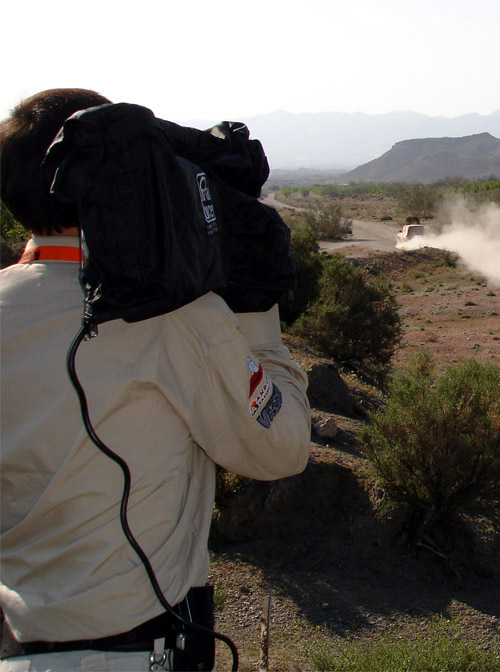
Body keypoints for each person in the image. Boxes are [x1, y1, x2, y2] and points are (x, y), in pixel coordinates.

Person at [0, 89, 312, 670]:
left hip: (17, 642)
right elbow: (283, 446)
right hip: (138, 647)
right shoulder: (172, 321)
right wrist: (257, 324)